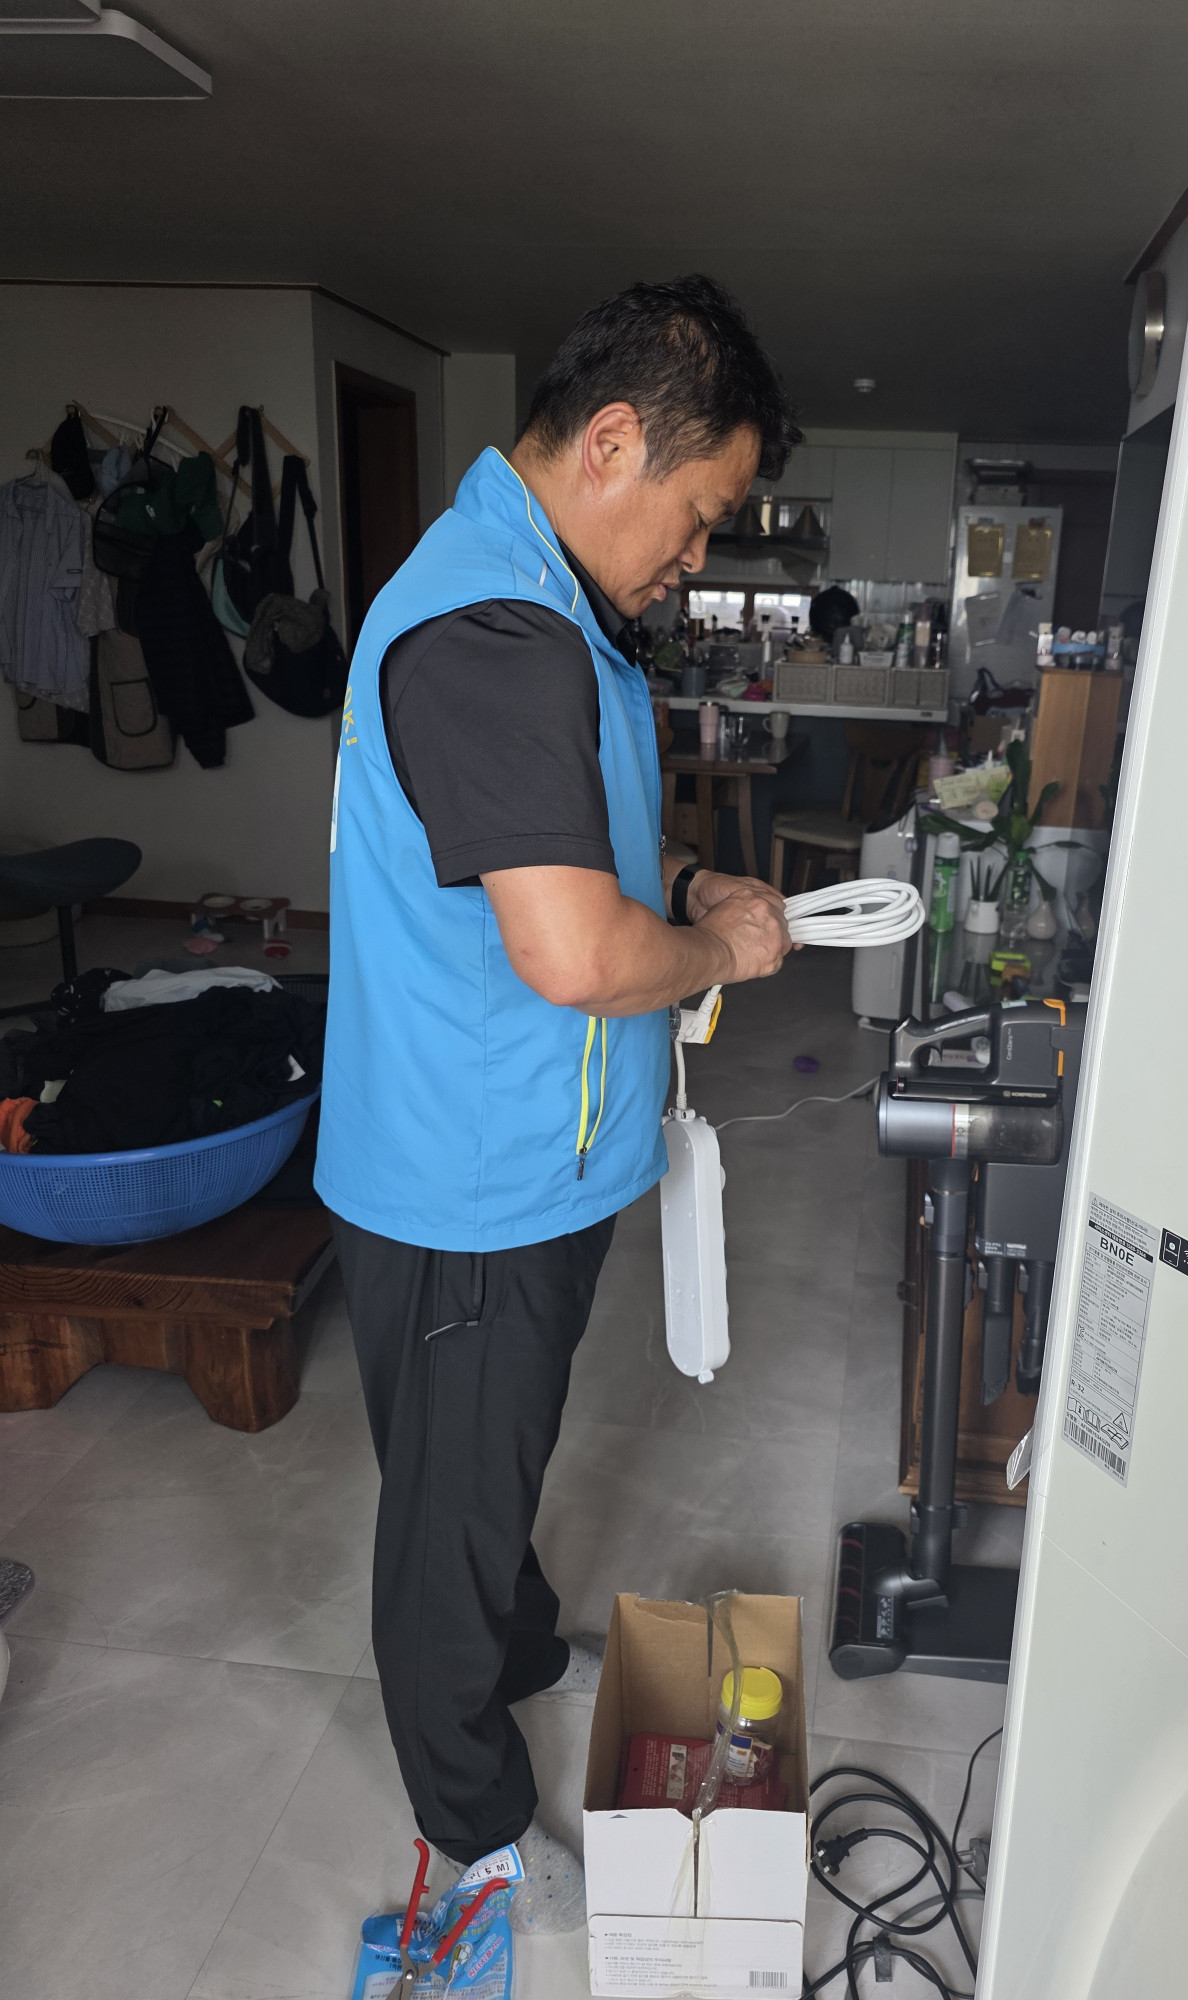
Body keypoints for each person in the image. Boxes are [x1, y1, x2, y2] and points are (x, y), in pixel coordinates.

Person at [315, 275, 803, 1920]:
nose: (700, 555)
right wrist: (718, 947)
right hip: (470, 1178)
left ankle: (520, 1643)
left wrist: (688, 880)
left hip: (528, 1154)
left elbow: (571, 847)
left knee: (487, 1462)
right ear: (610, 443)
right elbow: (581, 954)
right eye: (701, 512)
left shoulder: (542, 604)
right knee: (447, 1519)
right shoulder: (489, 633)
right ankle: (473, 1817)